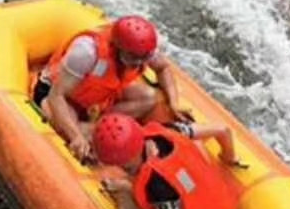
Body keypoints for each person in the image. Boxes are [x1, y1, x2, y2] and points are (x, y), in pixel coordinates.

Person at [32, 15, 193, 162]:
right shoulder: (87, 52)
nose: (138, 63)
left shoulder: (143, 51)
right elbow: (57, 95)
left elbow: (163, 68)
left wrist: (173, 103)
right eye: (133, 58)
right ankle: (87, 133)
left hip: (98, 97)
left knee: (149, 97)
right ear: (117, 47)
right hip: (60, 95)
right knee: (65, 127)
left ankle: (95, 129)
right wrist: (75, 136)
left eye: (142, 58)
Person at [93, 113, 244, 209]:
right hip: (225, 204)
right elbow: (223, 130)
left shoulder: (157, 186)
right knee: (195, 149)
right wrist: (229, 158)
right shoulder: (167, 130)